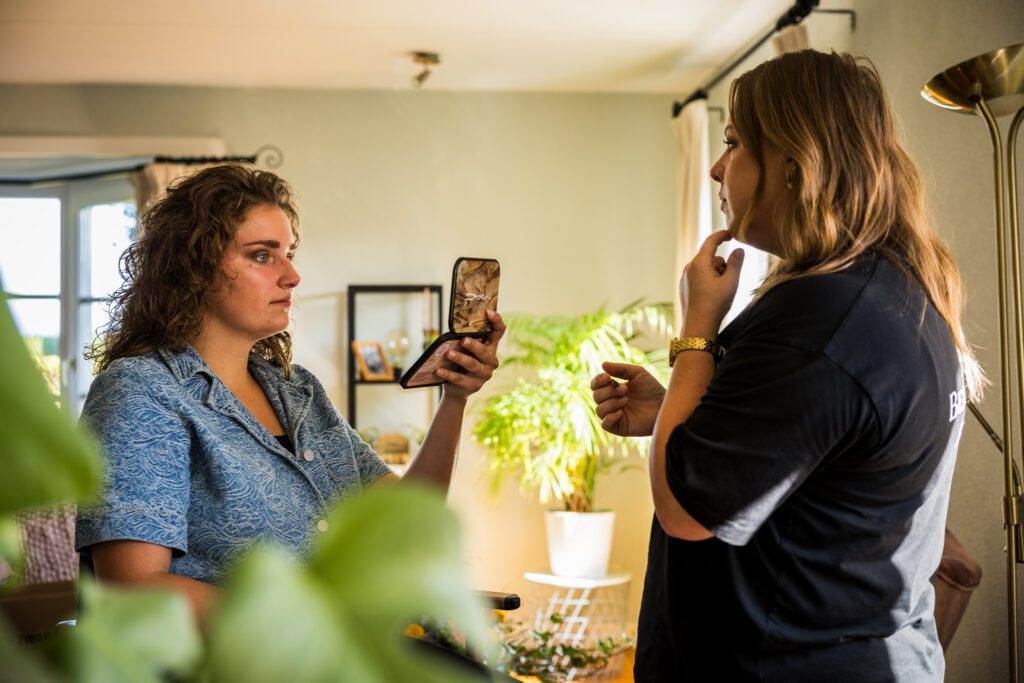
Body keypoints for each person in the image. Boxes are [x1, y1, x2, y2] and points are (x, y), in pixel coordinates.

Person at [591, 50, 981, 682]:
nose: (718, 167)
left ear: (798, 164)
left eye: (735, 143)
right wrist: (674, 409)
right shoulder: (892, 289)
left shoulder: (820, 316)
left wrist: (695, 329)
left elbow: (686, 511)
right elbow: (802, 448)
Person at [75, 164, 505, 623]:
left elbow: (406, 520)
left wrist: (454, 399)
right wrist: (318, 625)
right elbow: (135, 590)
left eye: (288, 252)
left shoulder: (298, 391)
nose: (292, 275)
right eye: (262, 255)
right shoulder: (142, 392)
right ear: (193, 267)